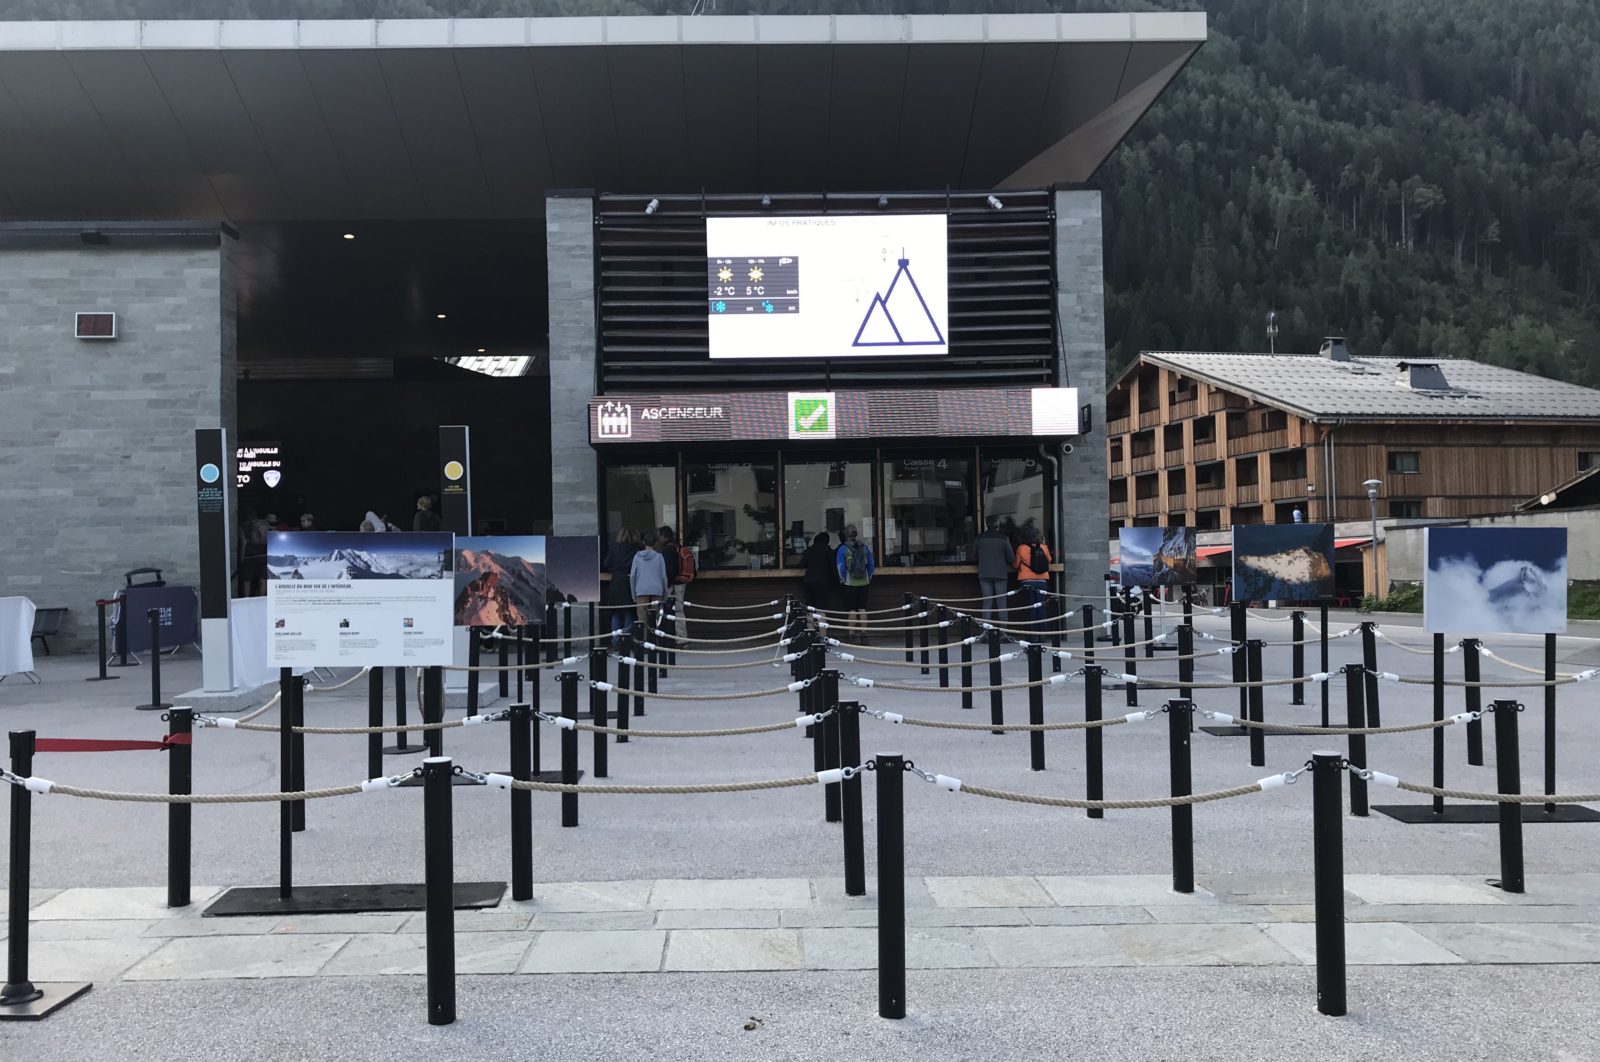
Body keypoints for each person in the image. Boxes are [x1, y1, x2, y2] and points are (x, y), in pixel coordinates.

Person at [835, 525, 875, 640]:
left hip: (850, 583)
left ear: (846, 535)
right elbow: (871, 565)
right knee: (862, 608)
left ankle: (851, 634)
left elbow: (840, 567)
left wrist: (842, 579)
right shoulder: (865, 547)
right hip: (865, 582)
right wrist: (869, 577)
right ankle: (864, 634)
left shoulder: (843, 549)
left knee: (851, 609)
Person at [603, 528, 642, 644]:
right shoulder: (637, 549)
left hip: (617, 581)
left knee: (616, 613)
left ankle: (615, 642)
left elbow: (606, 563)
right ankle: (626, 642)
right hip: (631, 581)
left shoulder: (615, 547)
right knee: (629, 612)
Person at [973, 515, 1014, 624]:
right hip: (1000, 574)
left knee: (987, 604)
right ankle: (1003, 633)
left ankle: (986, 632)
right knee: (1002, 604)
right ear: (998, 524)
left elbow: (974, 556)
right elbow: (1011, 558)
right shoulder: (1004, 538)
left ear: (986, 524)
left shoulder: (979, 538)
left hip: (984, 573)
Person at [630, 530, 669, 634]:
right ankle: (655, 643)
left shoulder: (637, 557)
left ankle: (644, 644)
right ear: (655, 543)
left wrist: (633, 595)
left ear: (643, 542)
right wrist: (665, 593)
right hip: (656, 591)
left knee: (642, 620)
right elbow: (664, 577)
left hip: (641, 591)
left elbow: (632, 576)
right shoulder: (659, 557)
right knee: (656, 619)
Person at [1014, 530, 1053, 621]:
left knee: (1030, 607)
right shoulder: (1043, 547)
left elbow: (1016, 564)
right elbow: (1049, 560)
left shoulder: (1021, 548)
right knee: (1041, 606)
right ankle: (1042, 632)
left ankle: (1032, 633)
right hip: (1042, 581)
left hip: (1027, 581)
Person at [802, 532, 834, 611]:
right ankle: (821, 623)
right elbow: (833, 566)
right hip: (822, 582)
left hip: (809, 581)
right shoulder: (828, 550)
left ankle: (810, 623)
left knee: (809, 608)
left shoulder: (809, 550)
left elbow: (802, 564)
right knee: (820, 608)